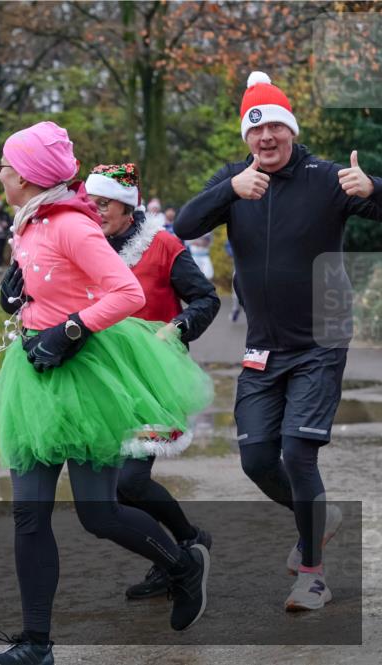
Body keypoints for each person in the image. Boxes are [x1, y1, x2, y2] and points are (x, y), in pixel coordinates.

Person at [0, 122, 213, 665]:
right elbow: (51, 288)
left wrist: (69, 330)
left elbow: (127, 293)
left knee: (98, 513)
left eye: (4, 165)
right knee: (29, 515)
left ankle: (183, 566)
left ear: (27, 175)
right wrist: (17, 301)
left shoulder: (69, 225)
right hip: (34, 374)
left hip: (85, 375)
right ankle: (35, 644)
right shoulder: (29, 223)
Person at [175, 71, 381, 611]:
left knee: (298, 453)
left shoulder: (326, 178)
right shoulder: (236, 179)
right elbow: (185, 225)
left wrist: (374, 189)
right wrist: (230, 189)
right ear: (247, 137)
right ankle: (318, 517)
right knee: (256, 457)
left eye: (275, 127)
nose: (266, 138)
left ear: (291, 129)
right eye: (255, 130)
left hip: (320, 341)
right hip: (262, 345)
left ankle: (312, 575)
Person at [86, 163, 220, 600]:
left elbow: (206, 299)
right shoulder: (88, 246)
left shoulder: (162, 245)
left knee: (130, 482)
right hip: (106, 383)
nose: (94, 210)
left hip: (155, 381)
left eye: (103, 203)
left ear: (128, 207)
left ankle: (189, 541)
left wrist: (176, 328)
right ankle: (173, 558)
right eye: (90, 202)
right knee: (114, 494)